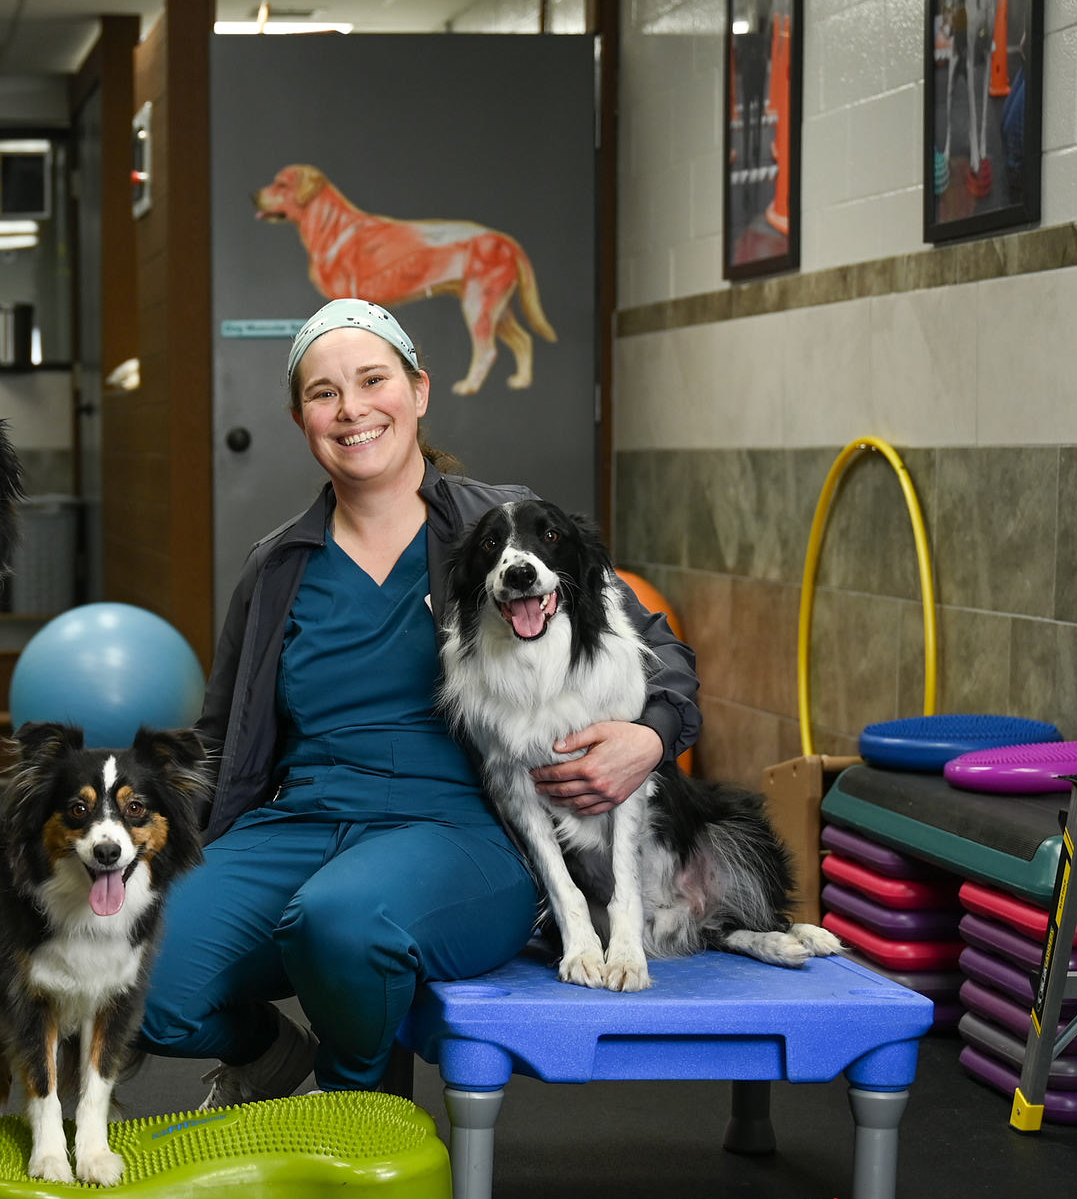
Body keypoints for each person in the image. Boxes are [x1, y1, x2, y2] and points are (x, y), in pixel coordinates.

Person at [138, 298, 700, 1103]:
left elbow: (661, 651)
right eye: (325, 393)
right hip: (298, 821)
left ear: (419, 390)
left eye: (373, 380)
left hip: (460, 831)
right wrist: (141, 840)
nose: (353, 408)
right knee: (137, 965)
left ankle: (357, 1109)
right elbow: (221, 738)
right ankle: (269, 1057)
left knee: (343, 922)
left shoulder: (499, 528)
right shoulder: (276, 567)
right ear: (302, 418)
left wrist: (651, 736)